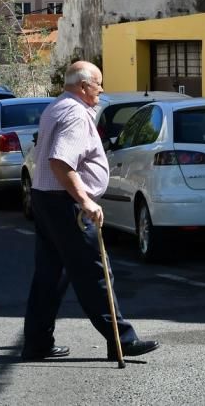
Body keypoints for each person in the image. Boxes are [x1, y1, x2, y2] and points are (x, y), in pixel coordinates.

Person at [21, 60, 159, 362]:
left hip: (47, 199)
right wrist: (85, 200)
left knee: (50, 275)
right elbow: (61, 161)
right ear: (84, 86)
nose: (102, 89)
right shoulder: (75, 114)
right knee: (95, 271)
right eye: (98, 83)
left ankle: (37, 343)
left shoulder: (57, 106)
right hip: (64, 202)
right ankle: (121, 340)